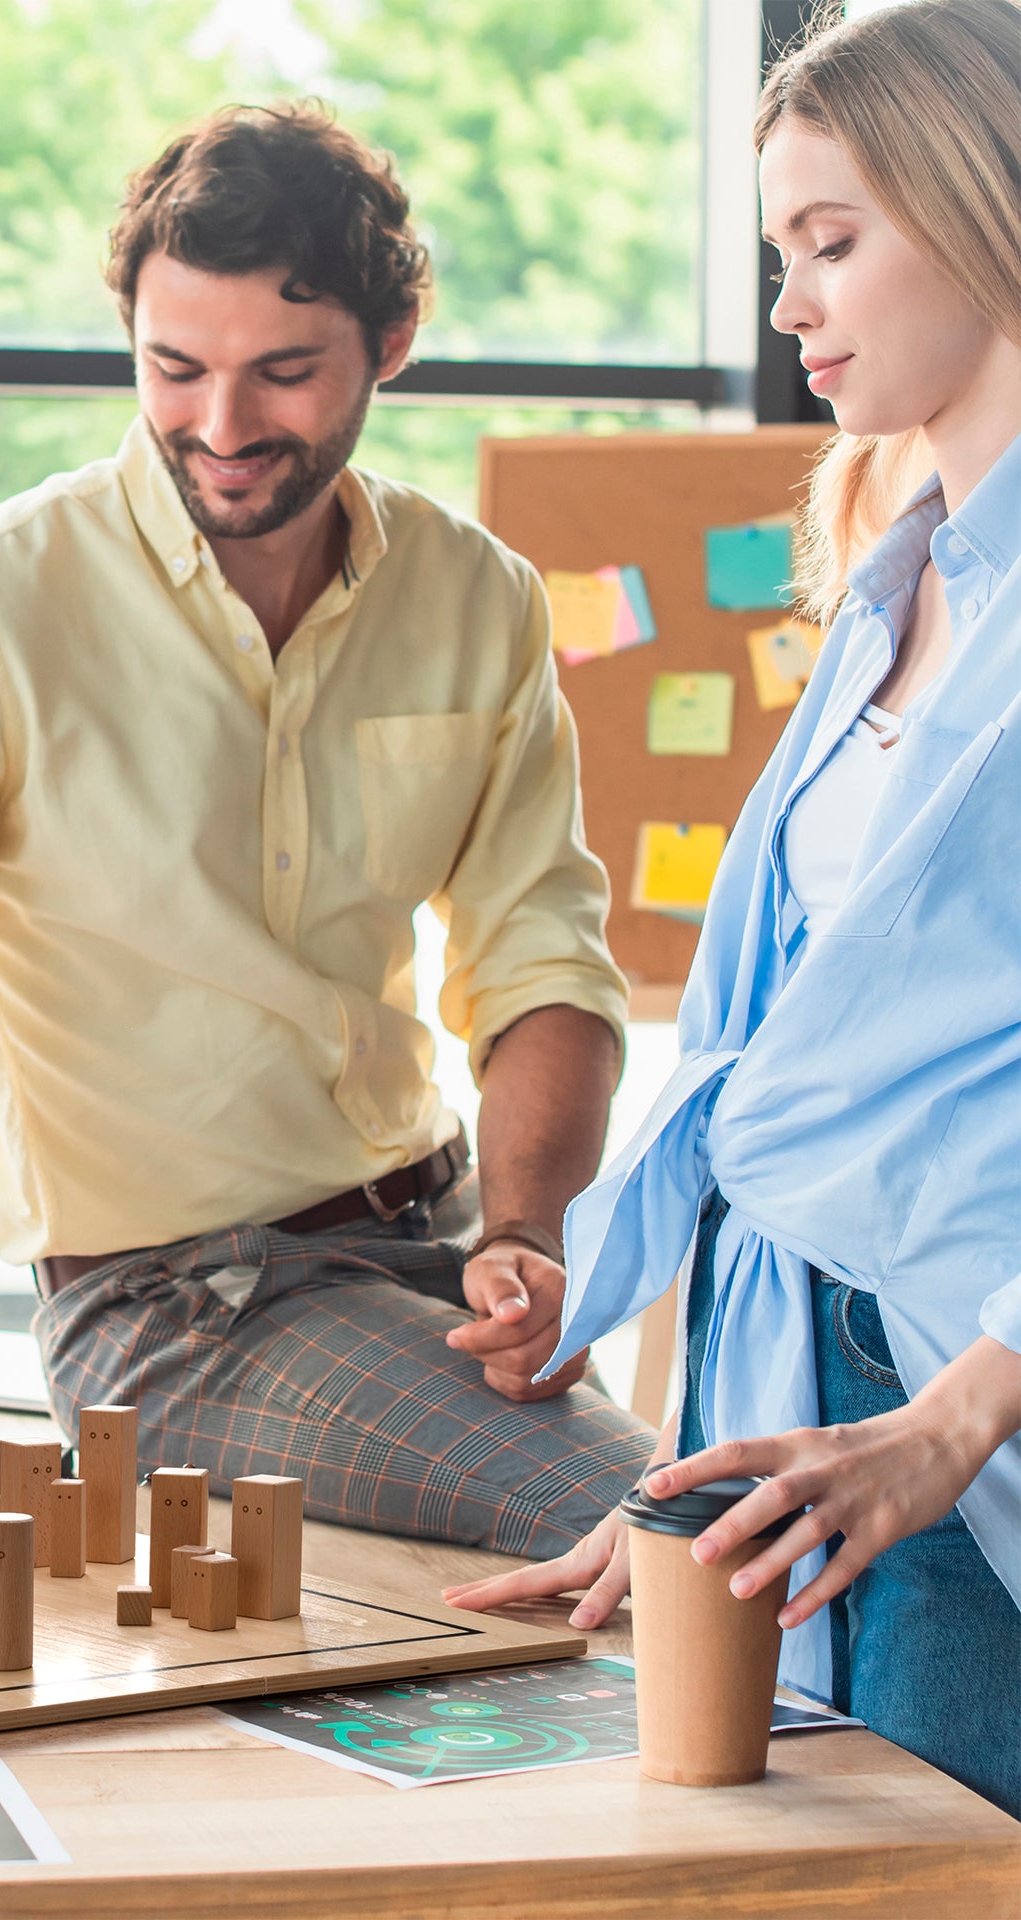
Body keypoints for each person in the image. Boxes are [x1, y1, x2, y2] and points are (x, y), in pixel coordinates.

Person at [0, 104, 653, 1554]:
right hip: (172, 1311)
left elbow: (546, 966)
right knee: (664, 1526)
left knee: (772, 1485)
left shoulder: (479, 598)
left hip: (441, 1238)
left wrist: (527, 1232)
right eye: (175, 369)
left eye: (285, 373)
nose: (220, 429)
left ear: (391, 340)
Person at [445, 0, 1021, 1817]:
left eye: (834, 246)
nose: (792, 309)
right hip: (810, 1394)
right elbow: (786, 1054)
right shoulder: (885, 591)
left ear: (992, 205)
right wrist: (695, 1486)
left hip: (958, 1418)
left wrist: (942, 1429)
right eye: (782, 256)